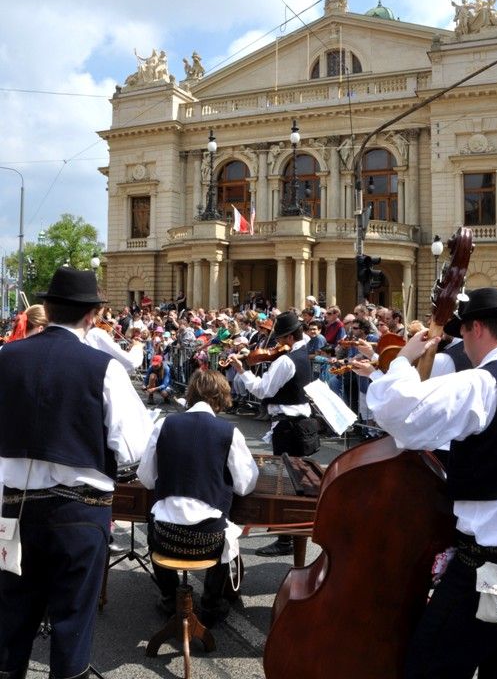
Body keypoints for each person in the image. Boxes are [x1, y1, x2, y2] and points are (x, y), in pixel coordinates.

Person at [366, 288, 497, 678]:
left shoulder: (484, 383)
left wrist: (404, 359)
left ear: (476, 328)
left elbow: (398, 413)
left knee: (429, 666)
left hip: (483, 567)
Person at [0, 267, 153, 679]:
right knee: (72, 625)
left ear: (46, 309)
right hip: (79, 514)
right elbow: (133, 447)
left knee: (10, 620)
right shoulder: (104, 368)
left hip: (14, 511)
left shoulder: (5, 358)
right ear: (91, 316)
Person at [137, 369, 257, 626]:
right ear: (221, 397)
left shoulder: (163, 425)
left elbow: (146, 478)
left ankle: (170, 599)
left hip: (166, 536)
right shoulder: (229, 432)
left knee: (154, 522)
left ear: (191, 394)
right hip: (207, 539)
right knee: (224, 530)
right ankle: (212, 604)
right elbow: (245, 485)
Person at [228, 310, 315, 556]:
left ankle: (286, 540)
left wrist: (242, 370)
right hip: (299, 423)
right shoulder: (303, 350)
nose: (276, 345)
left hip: (288, 427)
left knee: (285, 484)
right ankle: (291, 537)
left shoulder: (286, 361)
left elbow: (262, 390)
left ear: (288, 337)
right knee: (297, 482)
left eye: (279, 339)